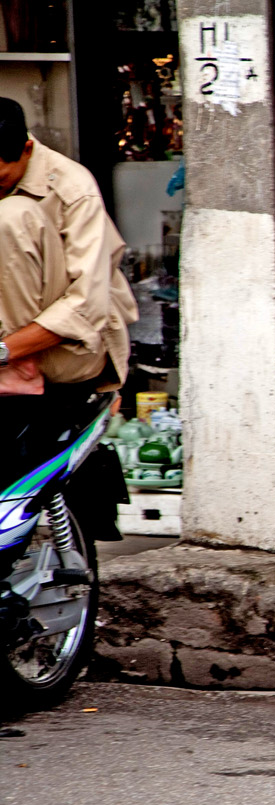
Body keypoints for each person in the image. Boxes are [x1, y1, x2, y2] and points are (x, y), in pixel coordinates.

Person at [0, 97, 134, 527]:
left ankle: (13, 367)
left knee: (10, 216)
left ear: (25, 150)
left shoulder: (72, 187)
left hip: (67, 348)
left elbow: (87, 306)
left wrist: (5, 352)